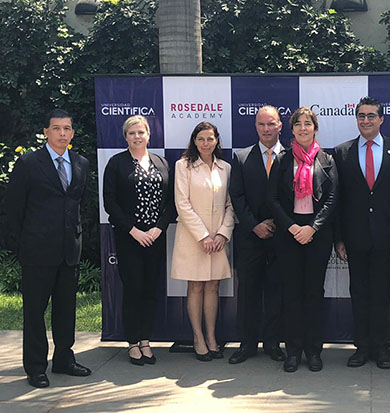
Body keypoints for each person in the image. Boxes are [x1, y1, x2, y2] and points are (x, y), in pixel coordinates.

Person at [6, 109, 91, 388]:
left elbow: (77, 204)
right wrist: (22, 245)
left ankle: (64, 359)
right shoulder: (29, 163)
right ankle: (35, 367)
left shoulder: (80, 162)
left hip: (69, 251)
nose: (62, 133)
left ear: (72, 133)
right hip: (36, 252)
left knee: (66, 310)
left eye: (67, 128)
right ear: (46, 132)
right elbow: (13, 208)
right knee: (34, 312)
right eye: (57, 128)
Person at [333, 96, 390, 369]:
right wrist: (339, 238)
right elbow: (337, 200)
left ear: (381, 119)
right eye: (361, 116)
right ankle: (361, 347)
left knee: (381, 294)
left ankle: (381, 348)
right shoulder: (341, 152)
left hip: (386, 239)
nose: (366, 120)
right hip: (355, 239)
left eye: (371, 116)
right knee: (360, 293)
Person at [269, 107, 338, 372]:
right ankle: (293, 352)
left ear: (315, 129)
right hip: (289, 236)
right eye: (298, 124)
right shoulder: (283, 160)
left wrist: (313, 227)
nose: (303, 128)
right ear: (292, 130)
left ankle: (314, 351)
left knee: (313, 294)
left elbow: (333, 198)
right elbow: (272, 199)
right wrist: (292, 227)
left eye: (308, 124)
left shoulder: (327, 160)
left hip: (317, 236)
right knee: (292, 295)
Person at [103, 115, 174, 366]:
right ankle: (132, 342)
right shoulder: (116, 163)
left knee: (150, 290)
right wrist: (134, 231)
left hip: (155, 238)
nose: (137, 137)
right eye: (132, 133)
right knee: (133, 290)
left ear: (148, 135)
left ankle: (146, 340)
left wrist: (158, 229)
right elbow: (110, 202)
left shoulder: (161, 162)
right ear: (125, 137)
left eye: (141, 132)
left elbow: (170, 203)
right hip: (129, 237)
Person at [170, 122, 235, 362]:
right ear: (194, 141)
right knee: (196, 286)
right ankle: (198, 338)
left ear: (217, 140)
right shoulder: (183, 166)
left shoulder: (225, 168)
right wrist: (203, 236)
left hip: (218, 240)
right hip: (193, 239)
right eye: (201, 139)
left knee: (213, 287)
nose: (206, 143)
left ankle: (212, 338)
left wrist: (222, 234)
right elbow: (182, 204)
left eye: (210, 139)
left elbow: (231, 205)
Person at [228, 106, 284, 365]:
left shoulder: (293, 157)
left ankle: (273, 343)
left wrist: (278, 223)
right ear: (255, 127)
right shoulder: (240, 158)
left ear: (280, 125)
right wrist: (255, 225)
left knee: (276, 292)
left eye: (271, 124)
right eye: (261, 124)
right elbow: (236, 197)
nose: (266, 129)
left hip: (282, 237)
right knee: (248, 293)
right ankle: (247, 344)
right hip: (250, 238)